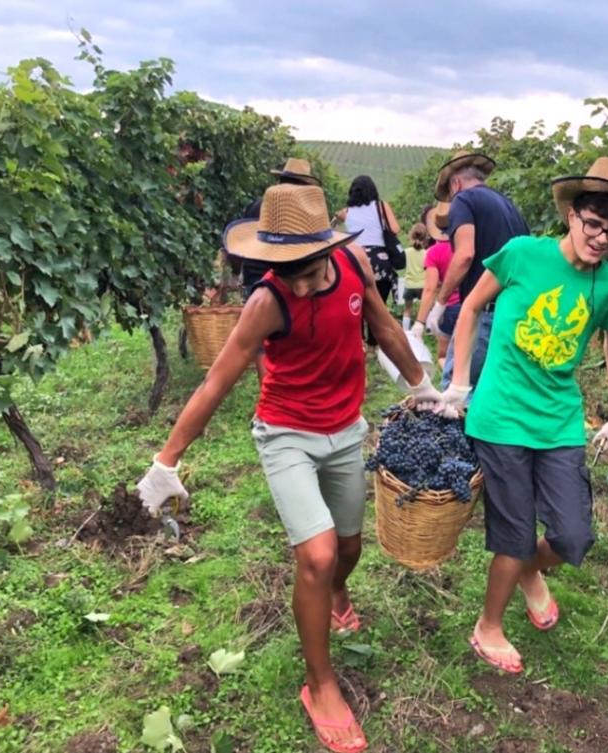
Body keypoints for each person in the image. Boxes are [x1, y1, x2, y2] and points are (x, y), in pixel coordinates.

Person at [136, 183, 446, 753]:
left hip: (346, 431)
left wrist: (426, 389)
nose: (298, 281)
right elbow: (218, 380)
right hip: (287, 437)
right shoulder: (266, 303)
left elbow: (383, 326)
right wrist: (167, 460)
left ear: (328, 247)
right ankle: (320, 685)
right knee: (318, 554)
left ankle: (336, 595)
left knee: (348, 551)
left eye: (305, 267)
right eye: (283, 268)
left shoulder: (353, 267)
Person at [441, 157, 608, 674]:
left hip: (559, 421)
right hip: (501, 416)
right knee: (513, 535)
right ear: (572, 215)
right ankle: (488, 626)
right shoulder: (521, 256)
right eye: (594, 224)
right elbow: (471, 307)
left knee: (572, 535)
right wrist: (458, 383)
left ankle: (528, 573)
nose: (602, 238)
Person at [424, 151, 528, 389]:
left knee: (457, 391)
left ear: (455, 183)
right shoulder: (508, 206)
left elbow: (464, 255)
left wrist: (439, 305)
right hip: (515, 313)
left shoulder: (464, 199)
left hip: (484, 312)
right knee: (494, 390)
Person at [225, 157, 323, 380]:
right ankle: (280, 386)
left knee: (262, 337)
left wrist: (238, 270)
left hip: (254, 276)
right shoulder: (301, 211)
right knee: (289, 331)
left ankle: (267, 388)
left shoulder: (257, 204)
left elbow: (243, 240)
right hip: (285, 276)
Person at [334, 176, 401, 346]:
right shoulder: (381, 206)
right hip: (380, 260)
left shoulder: (346, 212)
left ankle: (358, 341)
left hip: (356, 259)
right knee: (378, 304)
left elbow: (333, 223)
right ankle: (374, 341)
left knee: (356, 301)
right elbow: (395, 229)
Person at [412, 203, 460, 369]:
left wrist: (420, 321)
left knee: (443, 355)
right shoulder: (467, 246)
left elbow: (430, 289)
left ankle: (451, 384)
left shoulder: (434, 252)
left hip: (448, 308)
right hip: (472, 306)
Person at [401, 222, 427, 330]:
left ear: (411, 236)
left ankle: (406, 331)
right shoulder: (426, 253)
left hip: (409, 284)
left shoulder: (406, 252)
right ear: (425, 238)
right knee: (425, 308)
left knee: (407, 309)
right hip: (422, 285)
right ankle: (426, 328)